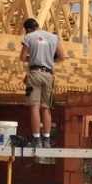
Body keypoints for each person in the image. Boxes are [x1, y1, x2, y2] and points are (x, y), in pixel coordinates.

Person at [19, 18, 65, 148]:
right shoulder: (53, 37)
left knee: (34, 106)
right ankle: (47, 139)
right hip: (48, 74)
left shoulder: (29, 37)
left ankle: (37, 139)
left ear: (28, 29)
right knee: (46, 107)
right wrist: (49, 60)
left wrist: (33, 57)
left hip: (35, 73)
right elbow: (62, 57)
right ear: (38, 25)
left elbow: (22, 57)